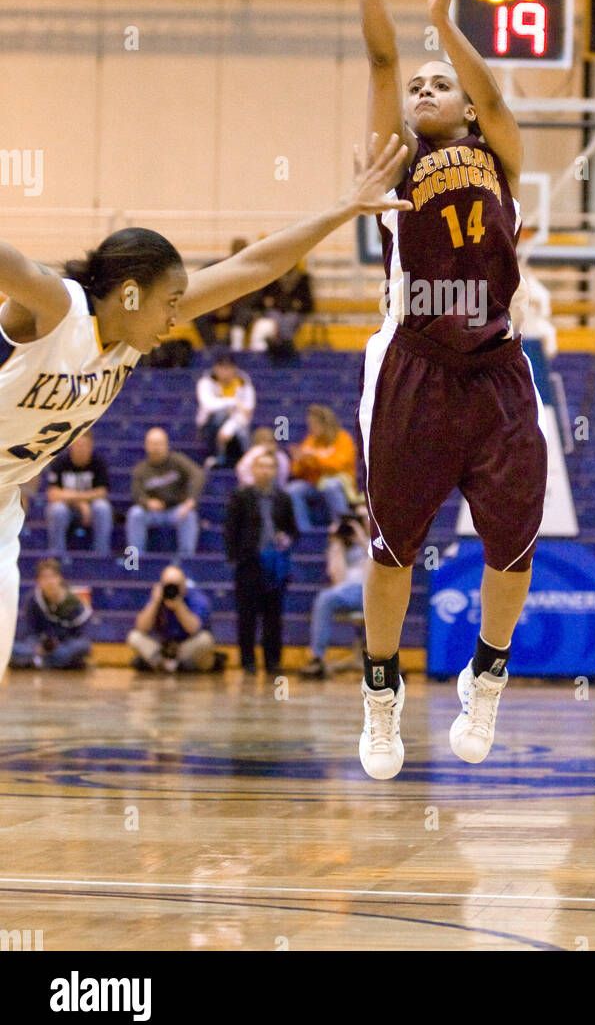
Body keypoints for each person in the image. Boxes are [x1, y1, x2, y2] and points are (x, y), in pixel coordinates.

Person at [0, 133, 410, 683]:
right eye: (169, 303)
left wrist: (346, 207)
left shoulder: (130, 333)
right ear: (129, 294)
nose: (176, 320)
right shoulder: (57, 307)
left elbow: (253, 266)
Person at [311, 0, 548, 780]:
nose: (423, 88)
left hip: (497, 366)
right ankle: (382, 692)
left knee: (513, 543)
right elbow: (381, 58)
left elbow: (489, 92)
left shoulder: (501, 154)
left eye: (437, 81)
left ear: (466, 105)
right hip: (413, 361)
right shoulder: (393, 158)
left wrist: (446, 23)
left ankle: (486, 670)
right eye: (417, 86)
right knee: (391, 548)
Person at [224, 452, 297, 674]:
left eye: (269, 466)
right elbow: (231, 530)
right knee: (247, 616)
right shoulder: (241, 497)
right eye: (261, 466)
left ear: (276, 471)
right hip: (249, 564)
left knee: (273, 616)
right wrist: (236, 558)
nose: (265, 471)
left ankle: (273, 661)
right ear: (253, 470)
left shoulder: (283, 499)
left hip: (274, 566)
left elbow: (293, 529)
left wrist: (285, 538)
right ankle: (248, 662)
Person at [300, 506, 369, 679]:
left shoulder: (377, 544)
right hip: (347, 591)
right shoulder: (344, 545)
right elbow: (338, 579)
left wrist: (362, 539)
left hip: (371, 592)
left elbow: (378, 568)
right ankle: (317, 658)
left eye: (363, 518)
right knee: (324, 598)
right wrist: (336, 544)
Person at [126, 428, 204, 559]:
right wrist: (147, 502)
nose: (156, 448)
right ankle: (134, 560)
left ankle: (186, 559)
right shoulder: (140, 469)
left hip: (177, 510)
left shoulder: (178, 460)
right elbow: (136, 494)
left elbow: (198, 475)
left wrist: (191, 501)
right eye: (152, 444)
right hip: (153, 512)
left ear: (166, 445)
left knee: (189, 515)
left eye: (159, 443)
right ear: (146, 446)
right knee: (135, 514)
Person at [127, 564, 215, 673]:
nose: (171, 590)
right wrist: (155, 602)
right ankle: (166, 664)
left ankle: (171, 665)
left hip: (186, 647)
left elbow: (194, 629)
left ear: (184, 585)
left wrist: (179, 606)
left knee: (205, 640)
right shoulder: (156, 597)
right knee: (134, 637)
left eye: (176, 586)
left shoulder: (196, 598)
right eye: (168, 586)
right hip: (162, 648)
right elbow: (141, 627)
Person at [10, 558, 92, 670]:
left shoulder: (75, 603)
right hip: (40, 644)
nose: (49, 581)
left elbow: (80, 636)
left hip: (65, 644)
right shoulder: (33, 601)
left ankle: (37, 661)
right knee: (13, 648)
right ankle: (53, 662)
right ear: (38, 581)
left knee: (81, 646)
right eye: (44, 577)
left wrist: (57, 643)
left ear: (60, 578)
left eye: (52, 576)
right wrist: (39, 646)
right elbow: (30, 631)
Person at [287, 405, 359, 532]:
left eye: (314, 424)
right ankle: (305, 531)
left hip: (340, 484)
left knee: (330, 485)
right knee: (293, 489)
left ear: (325, 423)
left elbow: (338, 467)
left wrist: (314, 457)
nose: (311, 427)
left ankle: (344, 527)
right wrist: (300, 460)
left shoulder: (343, 439)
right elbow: (296, 472)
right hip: (316, 485)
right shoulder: (311, 440)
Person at [44, 431, 114, 557]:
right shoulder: (60, 463)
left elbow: (102, 492)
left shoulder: (98, 463)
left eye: (84, 445)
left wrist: (70, 496)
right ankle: (57, 556)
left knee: (102, 507)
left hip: (91, 509)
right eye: (77, 445)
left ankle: (101, 555)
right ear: (71, 446)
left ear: (91, 446)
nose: (81, 449)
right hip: (67, 510)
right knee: (57, 510)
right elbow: (52, 494)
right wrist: (81, 503)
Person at [196, 353, 256, 468]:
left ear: (234, 369)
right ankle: (215, 455)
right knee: (220, 414)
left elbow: (247, 411)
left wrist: (229, 427)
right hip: (208, 427)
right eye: (222, 368)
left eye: (229, 368)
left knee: (242, 431)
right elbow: (208, 404)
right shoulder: (206, 382)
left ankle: (243, 461)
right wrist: (233, 402)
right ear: (215, 368)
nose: (225, 372)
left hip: (235, 425)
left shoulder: (244, 383)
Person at [248, 262, 314, 357]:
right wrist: (266, 302)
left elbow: (308, 302)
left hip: (294, 312)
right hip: (275, 310)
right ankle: (282, 347)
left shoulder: (302, 278)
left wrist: (300, 305)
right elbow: (262, 299)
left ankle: (282, 346)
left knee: (289, 320)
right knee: (274, 319)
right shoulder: (272, 277)